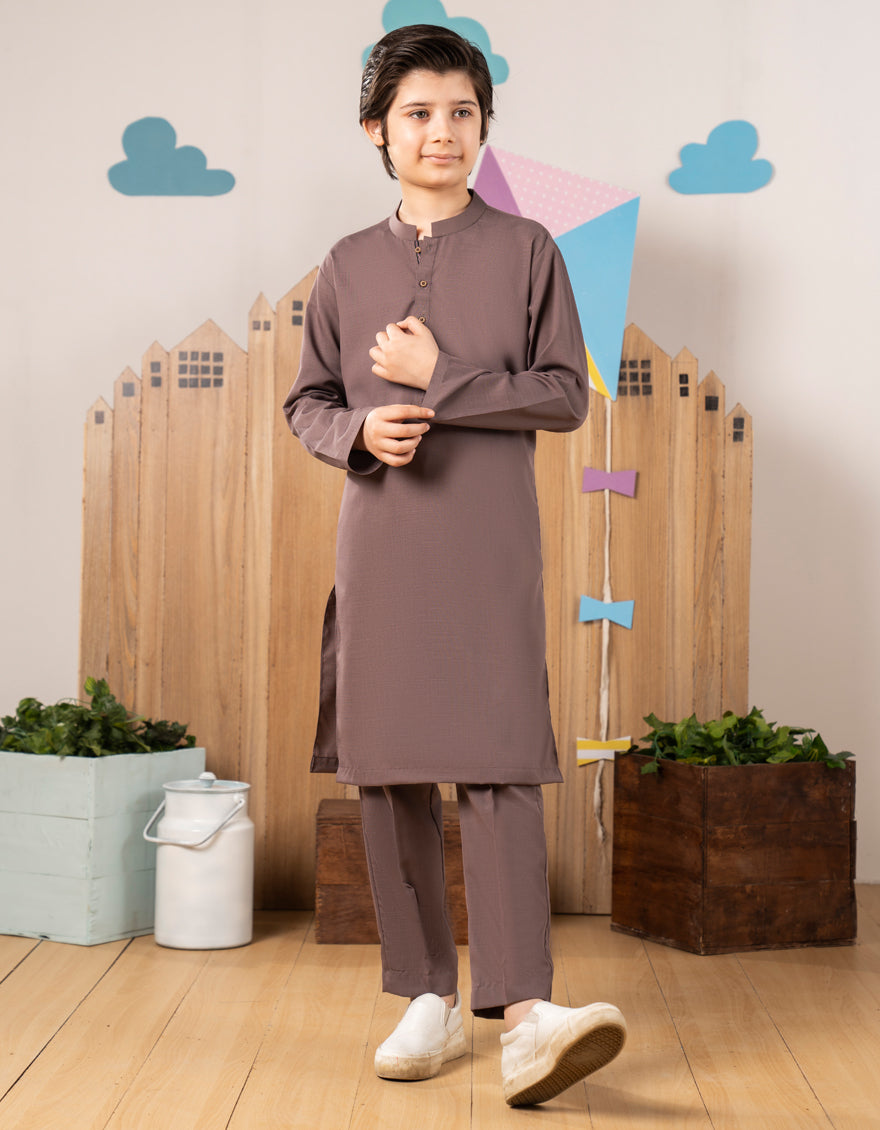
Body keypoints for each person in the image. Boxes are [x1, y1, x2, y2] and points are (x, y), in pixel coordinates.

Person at [283, 23, 626, 1107]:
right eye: (419, 113)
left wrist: (443, 376)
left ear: (485, 126)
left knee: (497, 762)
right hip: (383, 542)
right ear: (376, 131)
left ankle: (526, 1014)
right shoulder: (345, 265)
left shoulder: (529, 250)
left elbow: (564, 395)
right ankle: (424, 995)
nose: (443, 131)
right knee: (389, 769)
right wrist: (357, 432)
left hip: (488, 547)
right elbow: (307, 400)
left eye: (462, 112)